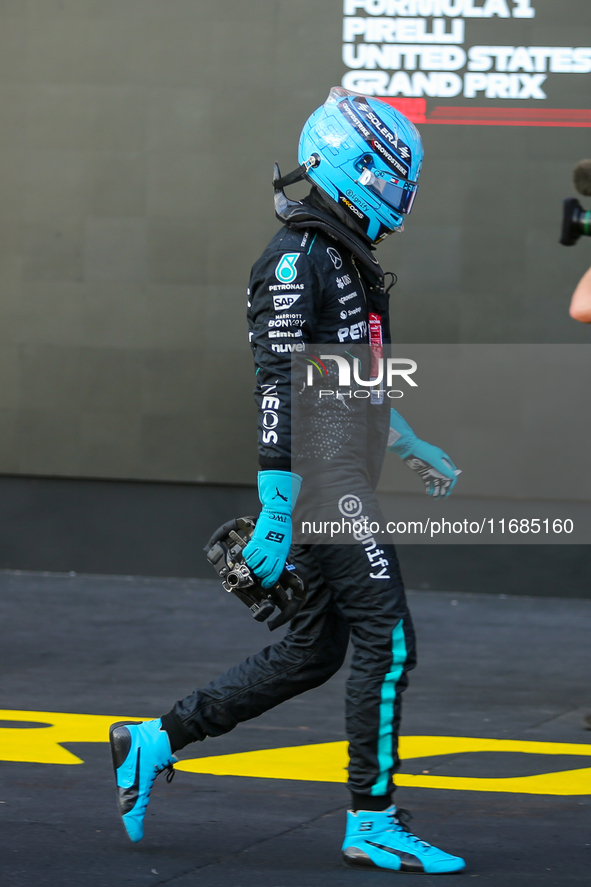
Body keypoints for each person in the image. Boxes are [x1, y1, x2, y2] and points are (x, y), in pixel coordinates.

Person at [109, 87, 465, 875]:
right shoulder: (297, 257)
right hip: (321, 486)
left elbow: (348, 380)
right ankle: (370, 818)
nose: (396, 186)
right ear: (351, 164)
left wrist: (407, 441)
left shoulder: (344, 255)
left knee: (314, 650)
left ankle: (153, 742)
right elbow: (278, 385)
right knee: (389, 638)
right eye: (387, 170)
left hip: (337, 477)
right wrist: (275, 514)